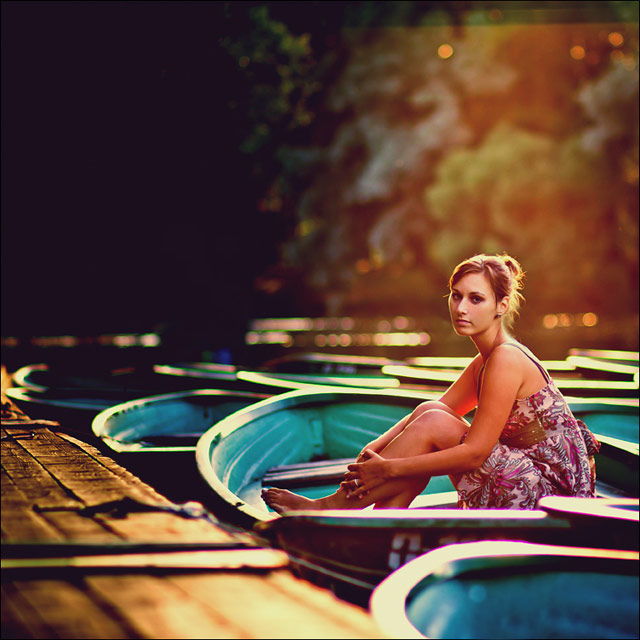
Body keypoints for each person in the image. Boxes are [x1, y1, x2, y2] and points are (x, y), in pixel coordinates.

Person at [262, 253, 600, 512]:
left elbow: (473, 454)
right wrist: (375, 449)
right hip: (527, 477)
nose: (461, 307)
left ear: (501, 305)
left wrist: (391, 469)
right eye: (456, 296)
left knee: (434, 425)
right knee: (430, 410)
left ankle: (331, 508)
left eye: (476, 299)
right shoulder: (484, 362)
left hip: (554, 499)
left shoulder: (506, 359)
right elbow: (433, 410)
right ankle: (383, 520)